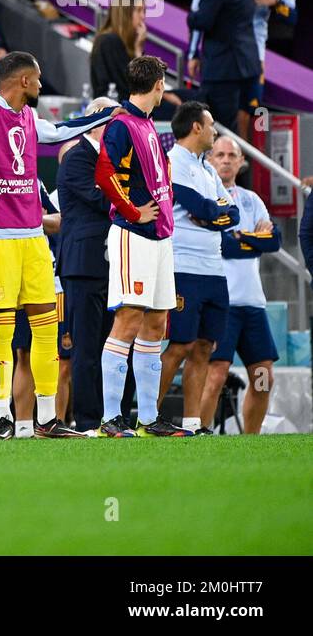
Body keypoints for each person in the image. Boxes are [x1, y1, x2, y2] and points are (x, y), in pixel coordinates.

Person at [0, 52, 118, 438]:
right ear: (23, 81)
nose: (41, 85)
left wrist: (110, 116)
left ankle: (46, 418)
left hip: (32, 238)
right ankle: (1, 416)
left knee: (45, 330)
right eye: (38, 79)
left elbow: (59, 131)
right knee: (1, 332)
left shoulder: (30, 119)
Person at [92, 56, 188, 437]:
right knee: (129, 318)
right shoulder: (121, 124)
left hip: (160, 236)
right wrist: (132, 211)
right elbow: (104, 173)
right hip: (134, 236)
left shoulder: (145, 124)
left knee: (156, 322)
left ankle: (148, 419)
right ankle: (110, 418)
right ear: (159, 85)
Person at [163, 100, 238, 432]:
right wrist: (212, 214)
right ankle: (146, 417)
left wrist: (212, 216)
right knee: (179, 345)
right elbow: (200, 207)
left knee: (205, 346)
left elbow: (231, 213)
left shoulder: (208, 168)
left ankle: (191, 424)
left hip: (214, 267)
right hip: (183, 265)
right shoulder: (173, 162)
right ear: (196, 127)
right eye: (211, 126)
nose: (214, 132)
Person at [202, 136, 282, 433]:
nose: (225, 160)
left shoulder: (251, 199)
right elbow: (223, 245)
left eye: (231, 155)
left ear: (240, 161)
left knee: (263, 376)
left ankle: (251, 439)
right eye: (219, 154)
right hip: (222, 301)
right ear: (210, 159)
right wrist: (252, 238)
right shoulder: (207, 196)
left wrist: (240, 237)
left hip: (252, 302)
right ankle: (199, 435)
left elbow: (274, 241)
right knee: (216, 374)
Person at [56, 96, 119, 432]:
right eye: (111, 118)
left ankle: (112, 414)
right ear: (96, 118)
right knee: (86, 346)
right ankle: (89, 420)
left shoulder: (112, 159)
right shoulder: (78, 158)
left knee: (113, 344)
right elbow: (101, 199)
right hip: (83, 263)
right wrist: (132, 197)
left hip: (113, 263)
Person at [225, 0, 297, 139]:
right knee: (222, 113)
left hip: (254, 52)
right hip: (221, 50)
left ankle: (244, 169)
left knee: (249, 113)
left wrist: (274, 2)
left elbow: (292, 15)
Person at [186, 0, 260, 133]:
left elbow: (204, 20)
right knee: (233, 133)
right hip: (246, 66)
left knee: (218, 134)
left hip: (223, 70)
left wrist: (190, 16)